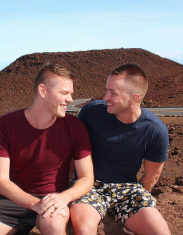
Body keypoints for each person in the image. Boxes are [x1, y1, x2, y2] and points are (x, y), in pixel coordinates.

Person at [0, 64, 94, 235]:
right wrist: (34, 204)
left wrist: (64, 198)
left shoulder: (75, 127)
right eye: (64, 93)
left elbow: (87, 177)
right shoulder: (5, 125)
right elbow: (0, 180)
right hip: (14, 199)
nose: (70, 100)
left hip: (54, 199)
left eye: (70, 94)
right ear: (43, 91)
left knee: (54, 229)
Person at [70, 63, 171, 235]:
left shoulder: (155, 130)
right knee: (84, 229)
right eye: (106, 90)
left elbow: (152, 176)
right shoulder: (91, 112)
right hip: (90, 185)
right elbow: (73, 153)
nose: (105, 97)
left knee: (160, 231)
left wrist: (132, 204)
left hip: (128, 190)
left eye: (113, 93)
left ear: (134, 99)